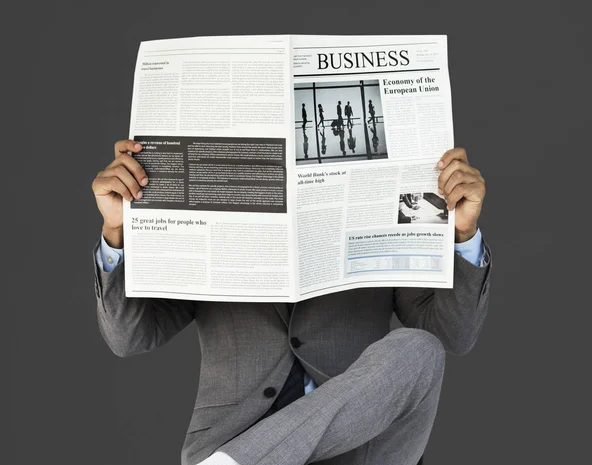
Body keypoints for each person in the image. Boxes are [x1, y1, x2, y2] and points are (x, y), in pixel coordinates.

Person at [91, 143, 491, 465]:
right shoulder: (208, 212)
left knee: (420, 349)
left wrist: (463, 233)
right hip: (234, 433)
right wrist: (116, 231)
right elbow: (129, 338)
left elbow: (451, 335)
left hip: (362, 447)